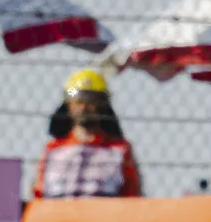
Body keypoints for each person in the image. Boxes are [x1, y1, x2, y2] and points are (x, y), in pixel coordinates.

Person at [33, 70, 141, 199]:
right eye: (78, 101)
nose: (84, 107)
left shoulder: (119, 150)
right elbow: (38, 194)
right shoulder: (53, 150)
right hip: (60, 217)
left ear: (102, 105)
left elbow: (132, 195)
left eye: (91, 102)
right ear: (68, 104)